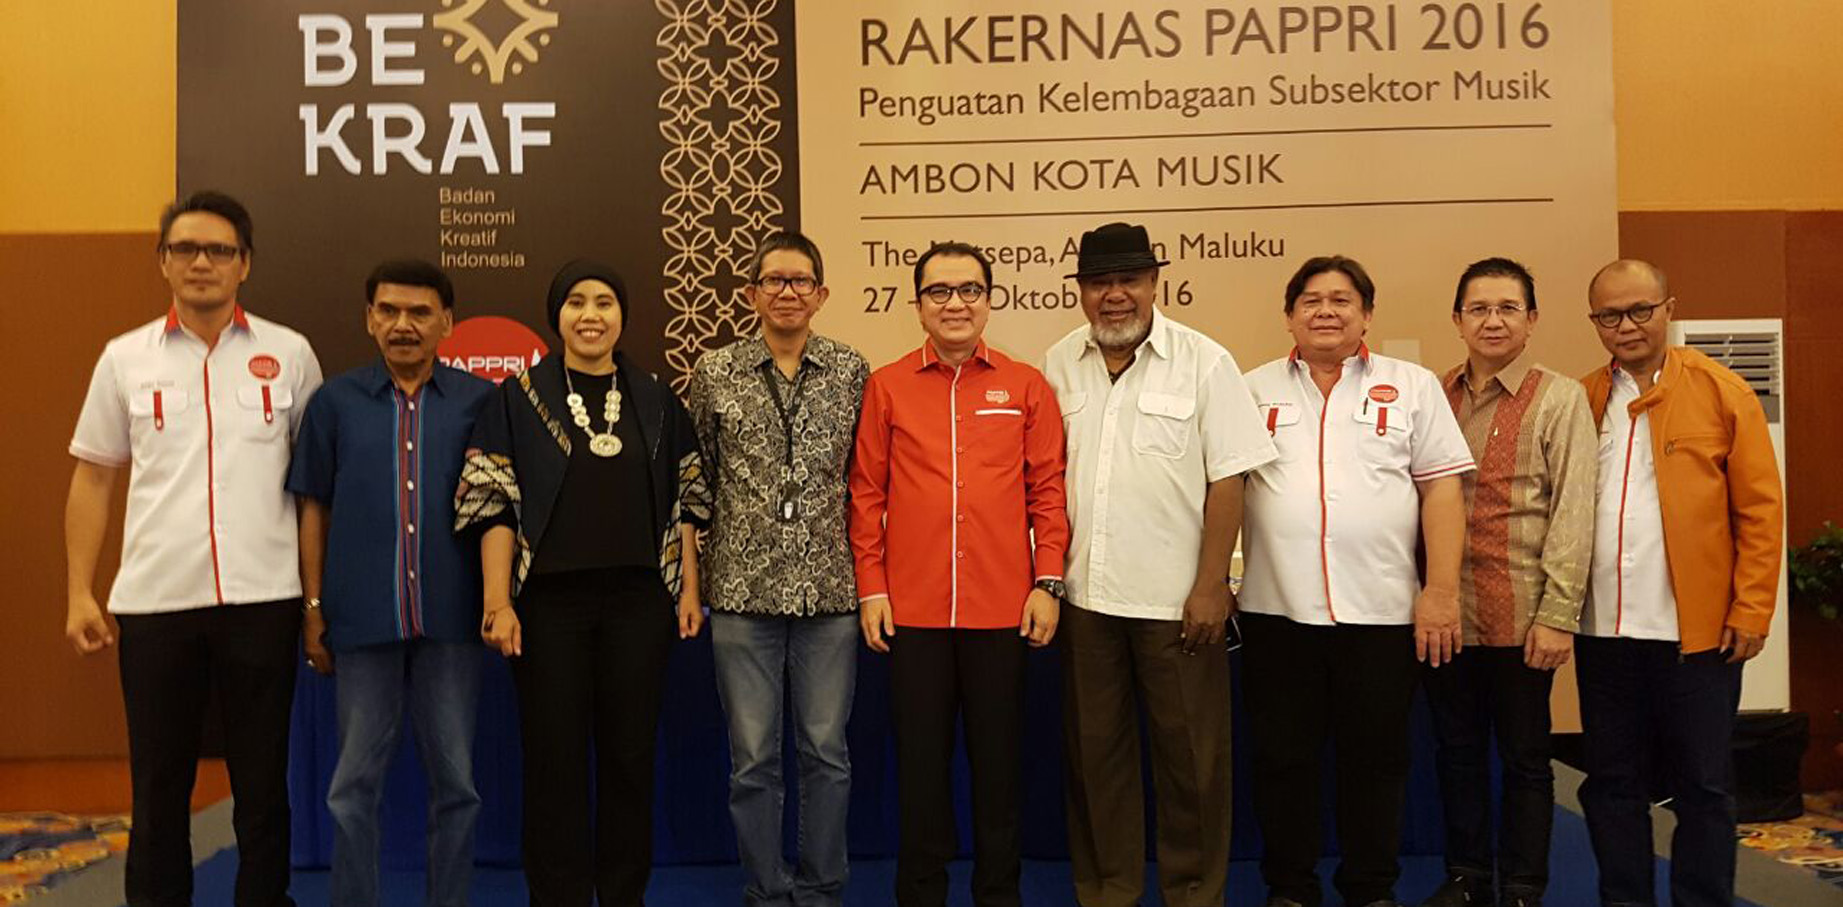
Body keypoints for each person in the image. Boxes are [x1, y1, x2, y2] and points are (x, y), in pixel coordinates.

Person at [65, 190, 323, 907]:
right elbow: (93, 477)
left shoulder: (290, 354)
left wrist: (312, 601)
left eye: (218, 250)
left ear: (245, 263)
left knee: (263, 787)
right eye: (185, 249)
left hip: (263, 600)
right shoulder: (124, 359)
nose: (201, 262)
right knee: (158, 787)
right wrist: (79, 591)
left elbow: (313, 489)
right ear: (163, 262)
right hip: (156, 604)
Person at [454, 259, 711, 907]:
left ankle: (624, 894)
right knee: (554, 762)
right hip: (547, 608)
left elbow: (687, 501)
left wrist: (687, 590)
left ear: (622, 316)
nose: (590, 314)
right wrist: (497, 602)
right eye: (576, 302)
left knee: (630, 759)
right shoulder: (515, 398)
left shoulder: (655, 397)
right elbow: (492, 506)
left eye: (604, 302)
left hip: (639, 604)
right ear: (557, 316)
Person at [1040, 222, 1275, 907]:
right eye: (1099, 282)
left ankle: (1193, 893)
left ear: (1153, 284)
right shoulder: (1058, 362)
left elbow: (1229, 478)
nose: (1114, 295)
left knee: (1192, 764)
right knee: (1094, 760)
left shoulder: (1205, 361)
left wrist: (1212, 586)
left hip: (1177, 604)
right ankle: (1108, 890)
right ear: (1081, 291)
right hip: (1085, 600)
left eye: (1129, 280)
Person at [1239, 255, 1475, 907]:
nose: (1325, 311)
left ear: (1366, 314)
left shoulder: (1412, 386)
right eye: (1310, 300)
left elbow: (1442, 490)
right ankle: (1290, 887)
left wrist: (1440, 592)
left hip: (1380, 613)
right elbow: (1222, 490)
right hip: (1275, 612)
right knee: (1281, 759)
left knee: (1376, 760)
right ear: (1288, 316)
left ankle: (1370, 887)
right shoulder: (1250, 389)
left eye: (1341, 300)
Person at [848, 242, 1069, 907]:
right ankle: (921, 895)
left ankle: (998, 895)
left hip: (1002, 610)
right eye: (939, 291)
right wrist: (871, 586)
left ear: (989, 300)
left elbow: (1048, 492)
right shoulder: (886, 385)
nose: (955, 303)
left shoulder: (1025, 384)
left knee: (999, 771)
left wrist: (1048, 581)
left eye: (969, 289)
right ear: (917, 305)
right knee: (920, 773)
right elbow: (865, 493)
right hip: (912, 613)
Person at [1575, 259, 1783, 907]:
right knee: (1611, 785)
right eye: (1610, 315)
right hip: (1601, 631)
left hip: (1697, 636)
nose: (1626, 325)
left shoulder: (1722, 391)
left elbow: (1760, 510)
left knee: (1703, 787)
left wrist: (1751, 608)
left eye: (1640, 309)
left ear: (1669, 308)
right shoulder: (1582, 398)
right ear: (1594, 322)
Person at [287, 259, 492, 907]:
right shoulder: (334, 403)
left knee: (457, 787)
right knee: (352, 788)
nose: (404, 324)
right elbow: (313, 507)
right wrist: (313, 608)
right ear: (369, 319)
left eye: (420, 312)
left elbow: (499, 511)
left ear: (447, 322)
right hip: (361, 622)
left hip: (452, 622)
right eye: (389, 311)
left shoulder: (480, 403)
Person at [687, 231, 868, 907]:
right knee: (753, 760)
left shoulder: (851, 371)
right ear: (751, 293)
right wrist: (691, 584)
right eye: (774, 280)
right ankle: (765, 890)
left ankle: (821, 888)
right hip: (741, 593)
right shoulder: (715, 371)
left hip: (830, 593)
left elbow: (866, 481)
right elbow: (696, 483)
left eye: (800, 281)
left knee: (826, 753)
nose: (787, 292)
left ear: (821, 294)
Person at [1420, 258, 1596, 907]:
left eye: (1507, 308)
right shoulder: (1432, 394)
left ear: (1531, 318)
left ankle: (1523, 884)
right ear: (1457, 319)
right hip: (1445, 615)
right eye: (1478, 308)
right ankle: (1466, 875)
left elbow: (1573, 511)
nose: (1492, 321)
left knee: (1525, 758)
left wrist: (1558, 615)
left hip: (1523, 615)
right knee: (1456, 751)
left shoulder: (1560, 398)